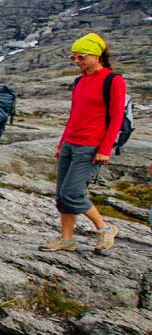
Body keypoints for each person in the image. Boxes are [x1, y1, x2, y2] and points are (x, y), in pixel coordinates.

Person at [42, 33, 125, 253]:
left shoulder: (113, 80)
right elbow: (75, 115)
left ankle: (104, 227)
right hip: (70, 143)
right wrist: (62, 144)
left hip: (91, 146)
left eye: (82, 57)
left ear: (97, 55)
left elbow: (116, 117)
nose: (77, 62)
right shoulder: (80, 81)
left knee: (72, 193)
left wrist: (105, 148)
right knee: (61, 195)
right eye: (74, 59)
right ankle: (67, 239)